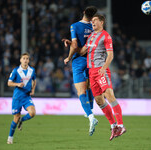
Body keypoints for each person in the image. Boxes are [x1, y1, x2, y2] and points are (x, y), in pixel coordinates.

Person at [80, 14, 126, 141]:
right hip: (91, 72)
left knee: (109, 96)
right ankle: (113, 125)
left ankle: (121, 125)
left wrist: (104, 68)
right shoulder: (90, 36)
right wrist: (72, 45)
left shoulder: (106, 36)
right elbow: (82, 51)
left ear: (102, 22)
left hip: (101, 70)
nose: (92, 22)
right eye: (92, 20)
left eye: (95, 20)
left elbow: (110, 55)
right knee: (99, 100)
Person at [62, 6, 98, 136]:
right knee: (89, 86)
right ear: (93, 16)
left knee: (80, 91)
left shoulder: (75, 26)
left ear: (83, 12)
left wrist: (69, 57)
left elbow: (76, 46)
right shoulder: (95, 28)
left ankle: (91, 117)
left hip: (78, 61)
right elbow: (87, 47)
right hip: (92, 60)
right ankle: (91, 109)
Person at [7, 52, 36, 144]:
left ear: (29, 60)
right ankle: (10, 137)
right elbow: (9, 83)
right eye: (23, 58)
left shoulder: (32, 70)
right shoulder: (16, 70)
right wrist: (17, 84)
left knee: (32, 113)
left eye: (27, 58)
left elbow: (34, 80)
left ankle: (21, 120)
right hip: (17, 97)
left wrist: (33, 89)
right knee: (15, 118)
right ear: (20, 60)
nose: (25, 60)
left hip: (26, 96)